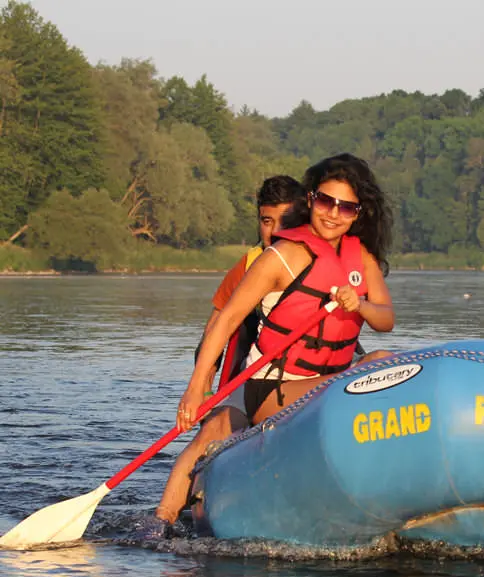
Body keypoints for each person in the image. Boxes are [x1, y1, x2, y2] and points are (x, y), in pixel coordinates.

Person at [135, 176, 304, 540]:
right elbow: (216, 328)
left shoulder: (320, 258)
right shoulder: (251, 265)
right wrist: (201, 388)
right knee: (213, 430)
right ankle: (159, 522)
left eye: (284, 220)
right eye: (266, 220)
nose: (273, 232)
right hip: (255, 379)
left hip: (309, 379)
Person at [177, 153, 394, 433]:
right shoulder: (271, 258)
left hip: (326, 375)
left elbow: (386, 320)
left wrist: (360, 305)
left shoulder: (360, 257)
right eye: (326, 202)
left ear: (358, 213)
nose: (333, 214)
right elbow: (222, 323)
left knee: (383, 361)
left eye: (346, 208)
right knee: (213, 431)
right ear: (312, 200)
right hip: (268, 381)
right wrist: (197, 390)